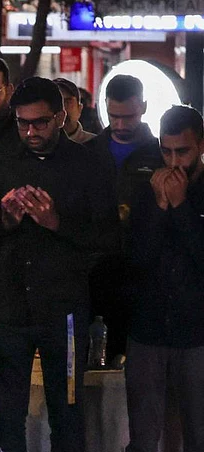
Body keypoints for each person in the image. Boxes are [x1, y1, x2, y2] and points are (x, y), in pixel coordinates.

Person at [0, 77, 119, 452]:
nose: (31, 131)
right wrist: (5, 221)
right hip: (10, 309)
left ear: (61, 116)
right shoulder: (3, 159)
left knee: (66, 415)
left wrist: (56, 222)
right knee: (7, 418)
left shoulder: (88, 163)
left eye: (40, 122)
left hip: (64, 311)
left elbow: (108, 238)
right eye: (22, 123)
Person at [116, 105, 204, 452]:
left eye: (182, 152)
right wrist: (159, 207)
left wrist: (181, 208)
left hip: (197, 332)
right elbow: (135, 259)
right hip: (149, 329)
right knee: (142, 437)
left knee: (199, 436)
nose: (173, 162)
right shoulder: (146, 186)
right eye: (166, 151)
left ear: (200, 146)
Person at [88, 74, 163, 362]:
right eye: (114, 116)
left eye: (128, 117)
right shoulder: (89, 153)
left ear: (143, 107)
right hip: (97, 271)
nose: (120, 125)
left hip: (145, 273)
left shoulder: (160, 155)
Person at [54, 77, 94, 144]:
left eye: (68, 102)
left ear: (79, 109)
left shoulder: (96, 144)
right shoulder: (37, 145)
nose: (63, 107)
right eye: (56, 102)